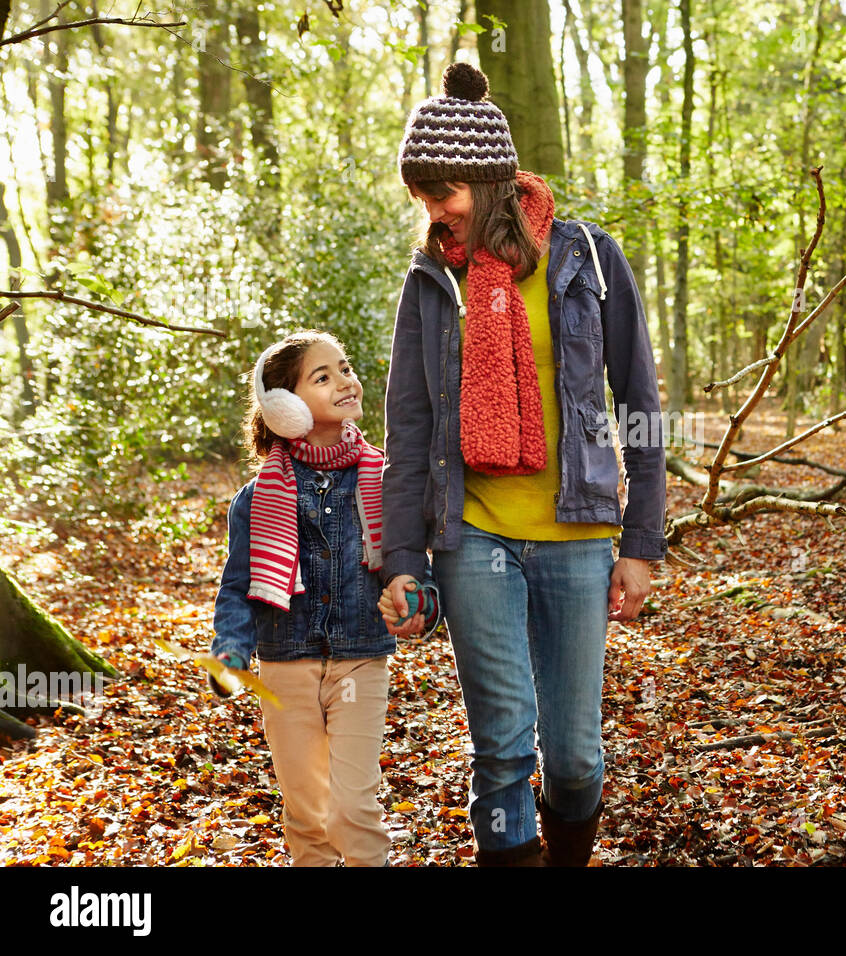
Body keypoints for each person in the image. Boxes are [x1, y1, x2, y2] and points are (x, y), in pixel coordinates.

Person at [380, 61, 667, 866]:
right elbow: (408, 430)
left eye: (445, 192)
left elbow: (639, 406)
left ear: (487, 180)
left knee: (575, 759)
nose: (435, 213)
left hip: (578, 536)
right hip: (473, 536)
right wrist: (402, 558)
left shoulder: (590, 261)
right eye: (424, 198)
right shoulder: (433, 281)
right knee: (503, 748)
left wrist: (643, 543)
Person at [210, 330, 398, 867]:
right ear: (284, 406)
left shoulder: (382, 479)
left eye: (345, 367)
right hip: (285, 666)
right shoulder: (257, 497)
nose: (345, 380)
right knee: (306, 816)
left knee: (353, 807)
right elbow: (239, 583)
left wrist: (418, 602)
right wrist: (230, 649)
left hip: (360, 658)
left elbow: (409, 566)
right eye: (324, 376)